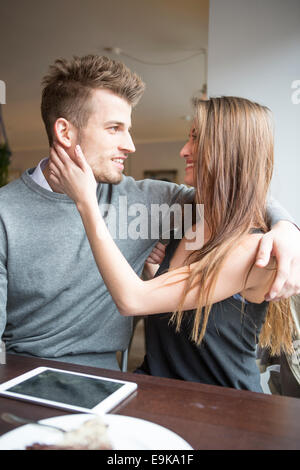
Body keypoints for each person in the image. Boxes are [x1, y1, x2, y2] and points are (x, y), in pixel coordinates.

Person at [0, 55, 299, 372]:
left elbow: (234, 190)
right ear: (65, 131)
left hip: (104, 374)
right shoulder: (6, 212)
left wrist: (286, 227)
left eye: (128, 129)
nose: (130, 145)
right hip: (21, 372)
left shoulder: (149, 202)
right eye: (114, 128)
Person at [49, 96, 300, 391]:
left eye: (195, 139)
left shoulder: (251, 250)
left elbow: (133, 300)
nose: (184, 151)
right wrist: (155, 272)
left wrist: (86, 204)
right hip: (160, 392)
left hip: (224, 411)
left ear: (227, 151)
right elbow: (175, 315)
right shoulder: (189, 220)